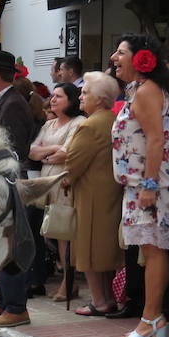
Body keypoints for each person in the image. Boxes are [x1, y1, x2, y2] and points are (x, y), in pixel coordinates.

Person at [110, 33, 169, 337]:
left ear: (142, 59)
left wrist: (150, 186)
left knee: (153, 252)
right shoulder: (139, 90)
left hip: (153, 187)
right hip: (144, 186)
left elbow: (156, 140)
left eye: (121, 52)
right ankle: (153, 319)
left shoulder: (147, 91)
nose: (114, 57)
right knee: (150, 252)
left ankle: (152, 318)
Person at [0, 50, 37, 328]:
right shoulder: (0, 101)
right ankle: (4, 301)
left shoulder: (12, 103)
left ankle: (16, 306)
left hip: (9, 180)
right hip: (0, 179)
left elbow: (13, 149)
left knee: (11, 242)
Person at [63, 72, 123, 315]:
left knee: (89, 250)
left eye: (85, 92)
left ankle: (99, 301)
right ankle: (108, 298)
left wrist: (66, 176)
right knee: (106, 251)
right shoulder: (112, 119)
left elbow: (73, 162)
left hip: (91, 195)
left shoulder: (89, 125)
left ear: (100, 99)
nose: (80, 95)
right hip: (110, 192)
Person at [28, 82, 83, 301]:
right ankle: (68, 281)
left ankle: (68, 282)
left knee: (63, 234)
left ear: (71, 100)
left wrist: (46, 153)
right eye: (53, 95)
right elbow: (32, 151)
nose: (53, 99)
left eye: (59, 96)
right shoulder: (49, 125)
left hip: (64, 182)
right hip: (47, 182)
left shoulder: (79, 123)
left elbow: (67, 153)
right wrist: (51, 151)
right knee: (51, 232)